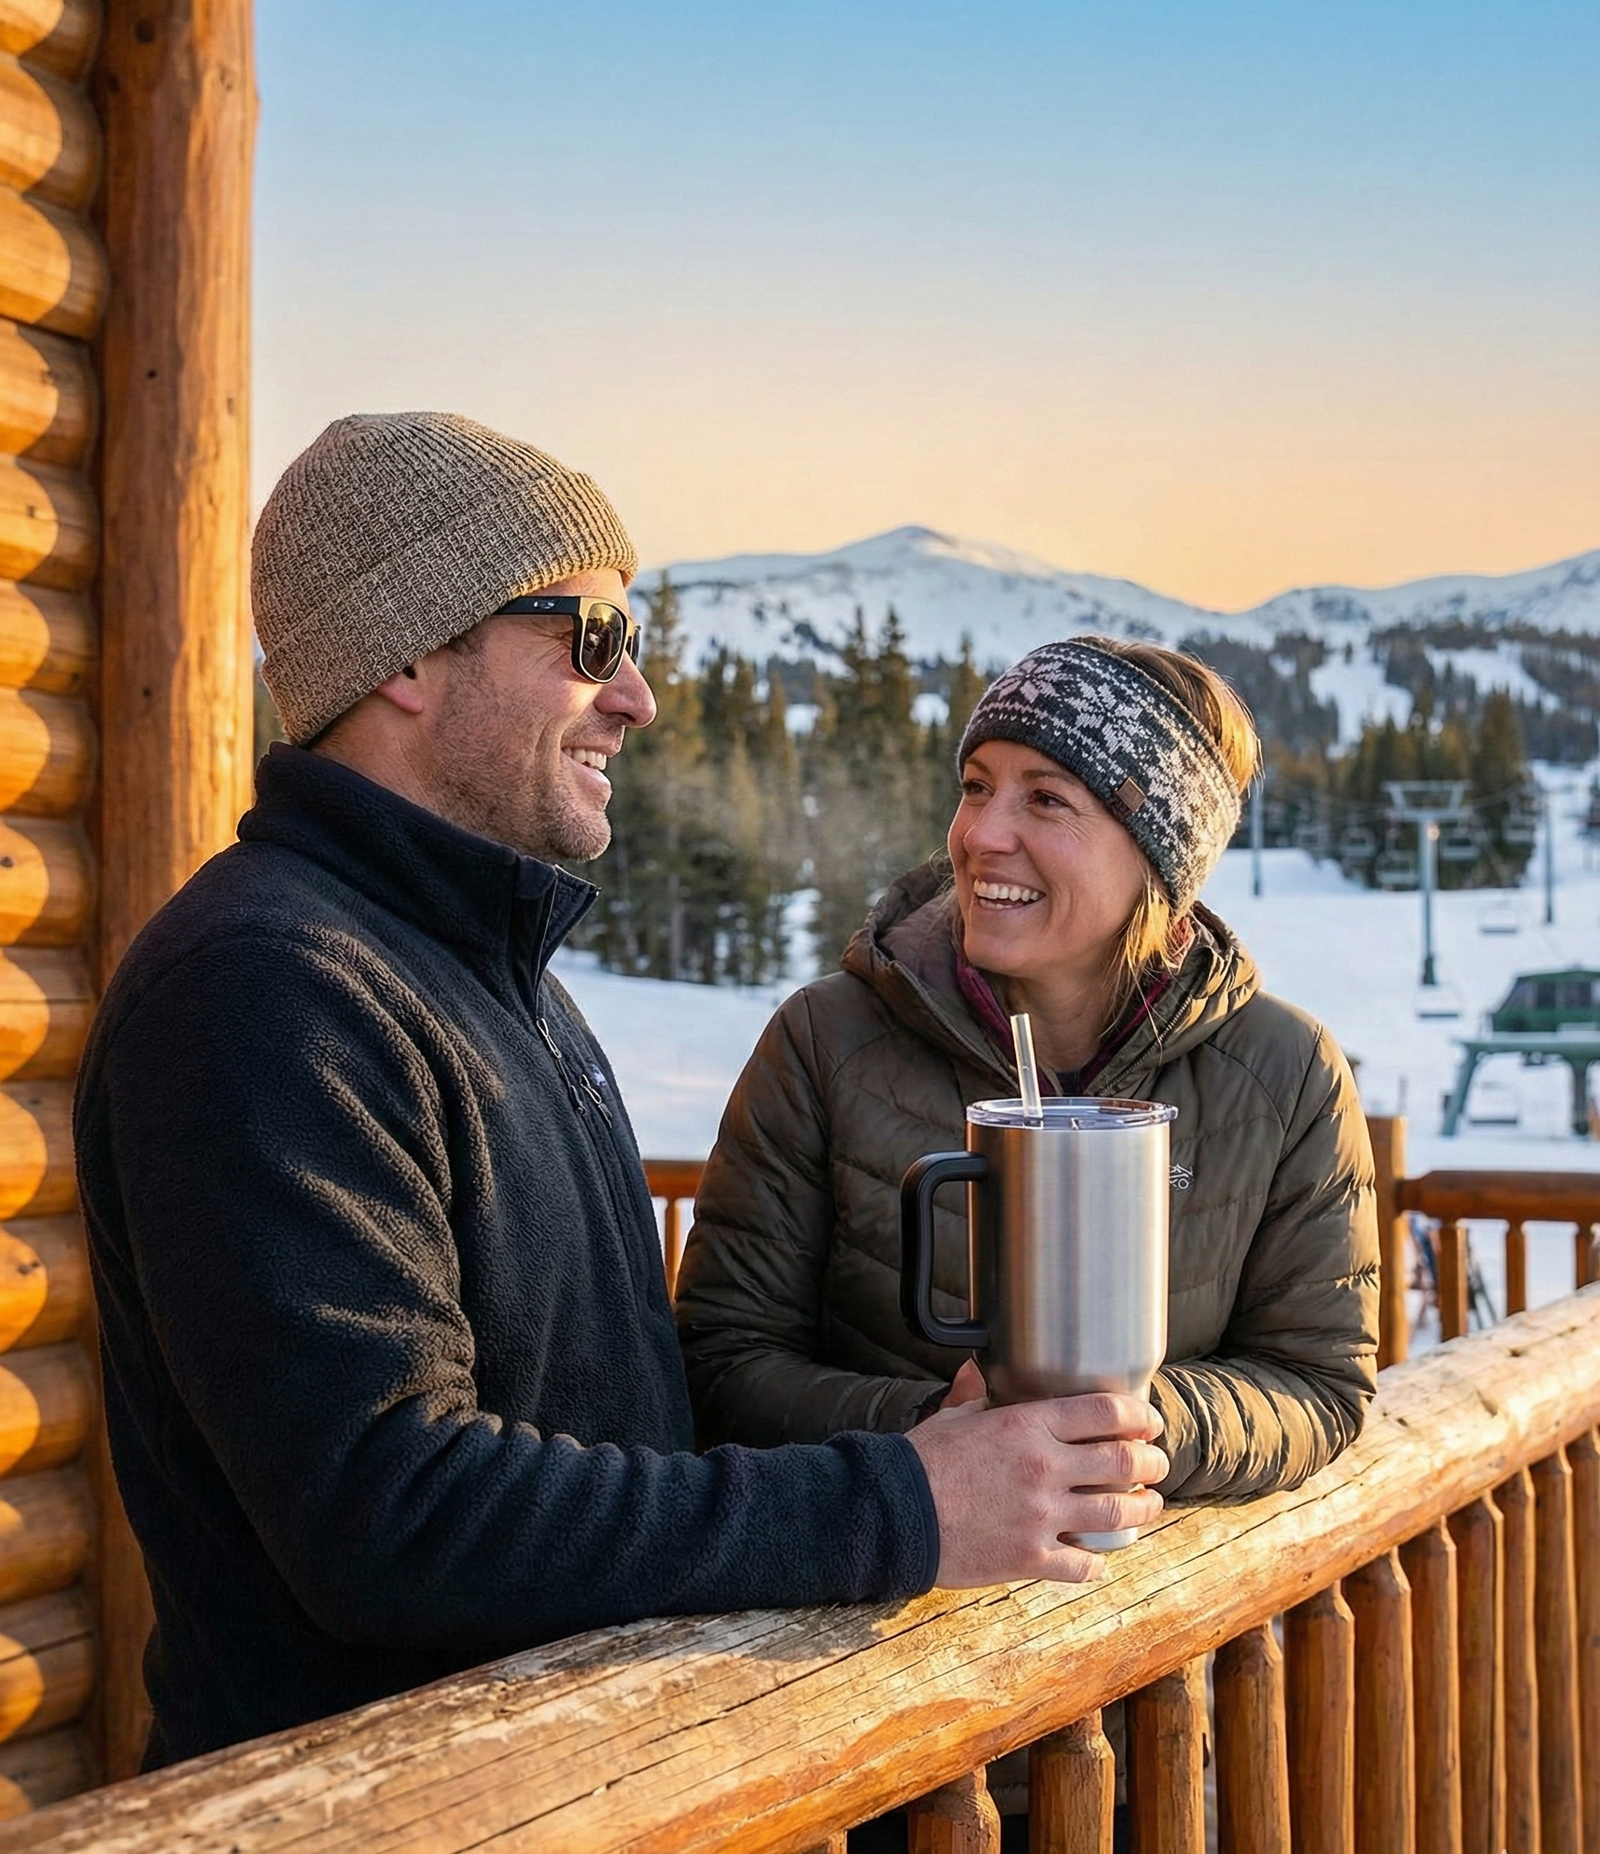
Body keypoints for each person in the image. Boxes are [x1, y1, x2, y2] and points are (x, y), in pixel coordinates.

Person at [74, 415, 1168, 1771]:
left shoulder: (497, 982)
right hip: (374, 1808)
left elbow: (611, 1425)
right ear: (407, 654)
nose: (638, 694)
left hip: (569, 1782)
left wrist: (931, 1448)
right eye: (590, 640)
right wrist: (896, 1503)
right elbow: (389, 1515)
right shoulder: (260, 990)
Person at [677, 636, 1380, 1500]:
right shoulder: (827, 1041)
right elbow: (722, 1361)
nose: (981, 834)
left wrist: (1128, 1426)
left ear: (1160, 859)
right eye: (976, 787)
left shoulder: (1284, 1074)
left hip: (1164, 1613)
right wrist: (943, 1432)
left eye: (1046, 799)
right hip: (884, 1609)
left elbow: (1318, 1383)